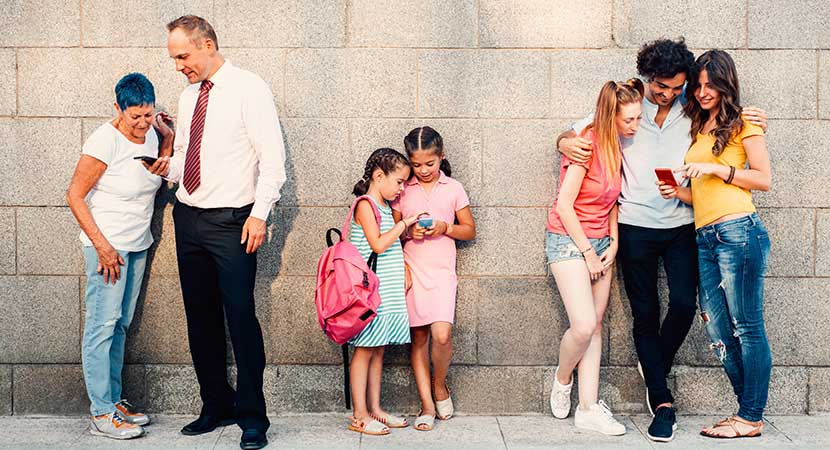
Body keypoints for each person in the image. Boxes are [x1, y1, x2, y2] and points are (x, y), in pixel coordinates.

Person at [556, 38, 767, 442]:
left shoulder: (694, 102)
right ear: (647, 78)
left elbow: (730, 112)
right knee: (645, 314)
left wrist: (756, 118)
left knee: (686, 305)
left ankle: (653, 362)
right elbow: (580, 127)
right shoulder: (631, 100)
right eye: (661, 87)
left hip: (683, 225)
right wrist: (564, 140)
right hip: (634, 226)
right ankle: (662, 399)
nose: (668, 94)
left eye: (676, 87)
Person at [145, 15, 286, 450]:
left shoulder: (250, 89)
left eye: (183, 56)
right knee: (200, 318)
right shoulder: (189, 96)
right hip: (188, 219)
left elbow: (272, 158)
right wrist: (166, 164)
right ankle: (215, 405)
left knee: (240, 318)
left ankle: (252, 417)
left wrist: (260, 214)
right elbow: (190, 152)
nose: (178, 66)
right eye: (174, 58)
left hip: (232, 222)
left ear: (207, 45)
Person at [658, 49, 772, 439]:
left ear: (726, 83)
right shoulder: (700, 126)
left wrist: (715, 168)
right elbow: (702, 196)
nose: (704, 92)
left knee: (747, 326)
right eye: (699, 85)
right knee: (718, 331)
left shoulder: (744, 124)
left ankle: (751, 416)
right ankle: (747, 411)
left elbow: (763, 179)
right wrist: (678, 193)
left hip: (738, 232)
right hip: (705, 236)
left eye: (711, 84)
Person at [67, 73, 173, 440]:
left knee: (121, 324)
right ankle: (100, 412)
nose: (143, 123)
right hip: (107, 249)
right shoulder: (103, 140)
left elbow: (159, 174)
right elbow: (75, 196)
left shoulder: (155, 134)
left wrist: (168, 140)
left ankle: (113, 401)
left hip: (137, 243)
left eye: (148, 114)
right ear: (118, 109)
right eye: (135, 117)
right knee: (101, 324)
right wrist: (102, 246)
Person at [548, 79, 644, 436]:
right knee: (584, 324)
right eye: (630, 120)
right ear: (610, 115)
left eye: (638, 118)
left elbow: (612, 203)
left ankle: (588, 408)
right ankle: (562, 378)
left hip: (603, 242)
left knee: (597, 325)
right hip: (569, 240)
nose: (636, 126)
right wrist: (588, 252)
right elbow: (564, 205)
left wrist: (614, 242)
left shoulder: (617, 145)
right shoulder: (585, 144)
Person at [391, 127, 476, 431]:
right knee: (419, 339)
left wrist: (444, 227)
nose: (424, 170)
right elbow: (391, 233)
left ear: (441, 157)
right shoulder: (402, 189)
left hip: (442, 273)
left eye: (430, 163)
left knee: (441, 335)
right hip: (413, 270)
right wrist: (408, 233)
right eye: (417, 164)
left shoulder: (453, 188)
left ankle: (440, 385)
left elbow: (469, 229)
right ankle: (426, 405)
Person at [347, 148, 422, 435]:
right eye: (399, 181)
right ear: (379, 176)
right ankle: (359, 415)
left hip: (384, 293)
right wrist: (404, 224)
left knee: (377, 351)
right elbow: (378, 244)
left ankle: (375, 410)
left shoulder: (384, 208)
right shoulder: (365, 205)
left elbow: (389, 248)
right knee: (364, 351)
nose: (402, 188)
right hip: (368, 295)